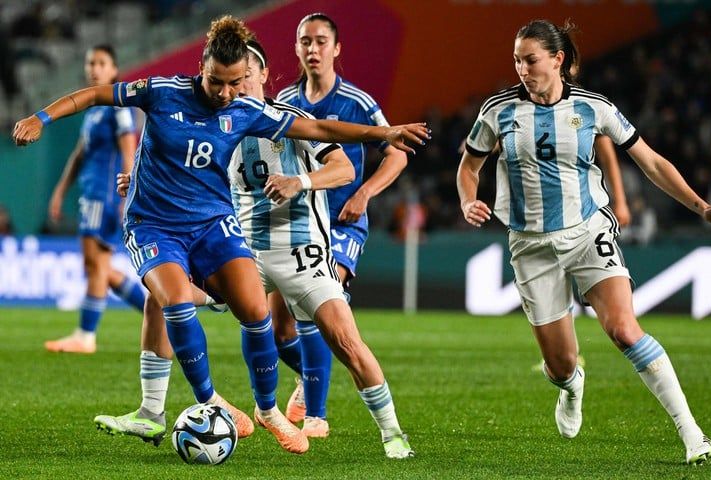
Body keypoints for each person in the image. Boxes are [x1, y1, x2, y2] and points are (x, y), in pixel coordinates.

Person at [13, 15, 427, 456]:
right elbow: (100, 96)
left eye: (237, 82)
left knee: (264, 314)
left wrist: (383, 134)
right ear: (203, 68)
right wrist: (43, 117)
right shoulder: (162, 91)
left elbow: (325, 133)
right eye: (219, 82)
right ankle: (204, 403)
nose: (227, 92)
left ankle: (273, 411)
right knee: (170, 299)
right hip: (161, 226)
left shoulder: (251, 112)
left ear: (257, 76)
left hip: (230, 230)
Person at [456, 19, 711, 465]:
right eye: (517, 59)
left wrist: (701, 207)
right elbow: (469, 166)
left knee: (622, 329)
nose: (522, 68)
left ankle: (691, 433)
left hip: (587, 230)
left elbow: (651, 162)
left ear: (558, 60)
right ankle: (572, 385)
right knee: (559, 365)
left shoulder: (594, 108)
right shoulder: (497, 110)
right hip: (530, 245)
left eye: (531, 59)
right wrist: (467, 200)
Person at [274, 12, 409, 434]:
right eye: (304, 42)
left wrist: (364, 193)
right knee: (279, 329)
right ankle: (307, 375)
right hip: (295, 224)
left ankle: (316, 415)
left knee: (318, 310)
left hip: (342, 223)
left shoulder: (358, 102)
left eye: (319, 41)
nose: (312, 49)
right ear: (296, 48)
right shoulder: (283, 100)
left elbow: (398, 152)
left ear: (336, 49)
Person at [44, 45, 146, 354]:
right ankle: (160, 314)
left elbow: (129, 146)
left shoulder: (118, 106)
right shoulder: (94, 109)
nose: (94, 68)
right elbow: (79, 154)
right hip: (90, 194)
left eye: (101, 63)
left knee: (95, 265)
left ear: (114, 69)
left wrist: (127, 192)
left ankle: (86, 335)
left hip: (105, 194)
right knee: (101, 269)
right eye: (91, 63)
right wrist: (61, 190)